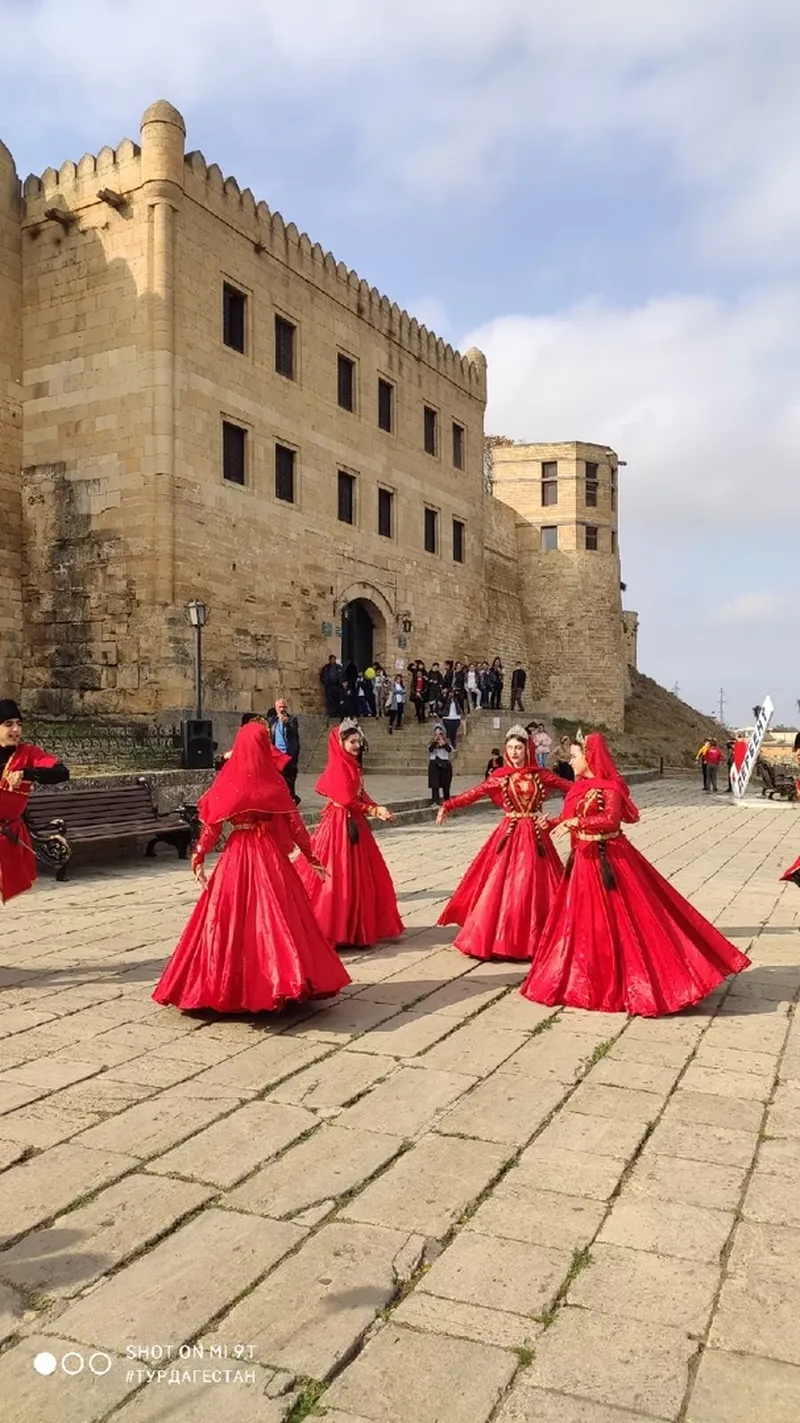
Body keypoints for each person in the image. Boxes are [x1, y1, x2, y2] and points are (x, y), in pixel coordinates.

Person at [519, 733, 751, 1016]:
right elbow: (572, 816)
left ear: (590, 757)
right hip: (582, 861)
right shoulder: (581, 787)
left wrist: (573, 821)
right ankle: (585, 978)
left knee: (630, 920)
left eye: (575, 756)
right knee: (581, 923)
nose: (571, 760)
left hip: (609, 860)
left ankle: (645, 978)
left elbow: (610, 820)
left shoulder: (611, 787)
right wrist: (553, 821)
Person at [152, 721, 350, 1013]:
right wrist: (312, 858)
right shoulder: (274, 781)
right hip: (268, 855)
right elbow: (295, 825)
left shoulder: (228, 780)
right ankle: (281, 979)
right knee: (279, 918)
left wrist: (199, 856)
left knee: (227, 918)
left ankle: (225, 985)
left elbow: (212, 826)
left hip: (236, 852)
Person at [436, 724, 571, 960]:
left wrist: (573, 810)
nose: (515, 752)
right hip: (509, 833)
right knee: (501, 884)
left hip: (535, 834)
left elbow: (573, 789)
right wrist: (448, 805)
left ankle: (536, 937)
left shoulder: (541, 775)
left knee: (533, 883)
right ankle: (500, 937)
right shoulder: (500, 777)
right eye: (510, 748)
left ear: (527, 749)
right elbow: (474, 793)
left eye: (519, 747)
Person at [296, 720, 403, 948]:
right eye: (352, 741)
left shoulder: (352, 765)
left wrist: (379, 808)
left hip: (355, 822)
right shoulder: (338, 766)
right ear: (341, 742)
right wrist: (373, 810)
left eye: (358, 741)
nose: (357, 745)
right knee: (338, 874)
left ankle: (355, 926)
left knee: (361, 875)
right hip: (339, 825)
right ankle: (331, 926)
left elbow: (360, 795)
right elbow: (346, 799)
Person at [0, 699, 70, 904]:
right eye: (8, 724)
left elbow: (61, 773)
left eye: (18, 724)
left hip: (8, 835)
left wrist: (27, 773)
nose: (15, 730)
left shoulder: (28, 754)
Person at [267, 699, 301, 804]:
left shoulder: (292, 720)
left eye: (284, 707)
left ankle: (292, 799)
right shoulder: (272, 721)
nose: (282, 709)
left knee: (290, 778)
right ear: (276, 708)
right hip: (276, 754)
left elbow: (293, 732)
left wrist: (286, 724)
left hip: (288, 753)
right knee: (277, 778)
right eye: (280, 707)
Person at [428, 724, 454, 805]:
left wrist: (444, 744)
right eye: (436, 732)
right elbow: (430, 750)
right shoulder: (432, 740)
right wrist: (435, 742)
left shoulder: (447, 740)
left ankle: (447, 800)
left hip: (444, 763)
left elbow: (450, 750)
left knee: (445, 784)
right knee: (434, 783)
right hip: (434, 763)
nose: (438, 735)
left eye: (440, 732)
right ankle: (435, 800)